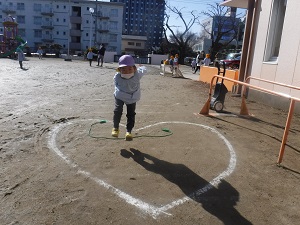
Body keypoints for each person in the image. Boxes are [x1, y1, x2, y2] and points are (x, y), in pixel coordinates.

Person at [112, 55, 147, 141]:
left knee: (131, 114)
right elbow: (115, 84)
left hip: (132, 97)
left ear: (134, 69)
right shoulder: (117, 76)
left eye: (129, 69)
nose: (127, 72)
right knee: (117, 110)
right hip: (120, 95)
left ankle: (129, 131)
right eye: (123, 69)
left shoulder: (137, 74)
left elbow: (144, 69)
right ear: (119, 70)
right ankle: (115, 128)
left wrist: (142, 66)